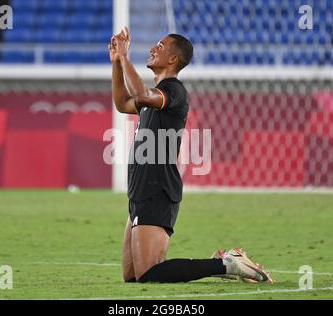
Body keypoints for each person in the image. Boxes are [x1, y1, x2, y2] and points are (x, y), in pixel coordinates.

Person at [109, 27, 273, 284]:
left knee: (150, 273)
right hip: (140, 190)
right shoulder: (153, 97)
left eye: (160, 47)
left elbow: (139, 94)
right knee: (132, 275)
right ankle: (226, 263)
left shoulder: (174, 91)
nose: (153, 49)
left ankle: (227, 264)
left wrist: (126, 58)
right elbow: (122, 103)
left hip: (157, 189)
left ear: (173, 59)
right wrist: (117, 63)